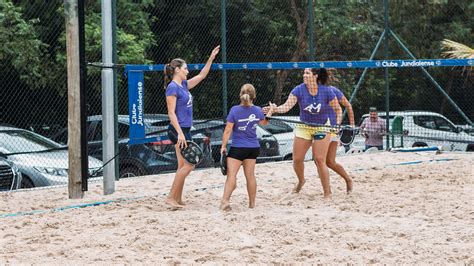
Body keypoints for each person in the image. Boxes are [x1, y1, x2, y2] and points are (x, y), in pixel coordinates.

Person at [264, 68, 341, 200]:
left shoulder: (326, 90)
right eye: (304, 73)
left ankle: (327, 193)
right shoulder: (298, 90)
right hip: (304, 126)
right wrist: (274, 108)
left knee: (319, 160)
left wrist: (337, 124)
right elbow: (286, 107)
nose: (304, 75)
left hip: (322, 126)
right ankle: (301, 180)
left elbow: (338, 109)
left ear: (315, 76)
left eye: (307, 73)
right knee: (297, 159)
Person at [164, 45, 220, 209]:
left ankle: (177, 199)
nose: (188, 71)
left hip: (184, 129)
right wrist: (180, 134)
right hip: (178, 130)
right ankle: (170, 198)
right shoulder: (173, 87)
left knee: (183, 165)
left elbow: (202, 75)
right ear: (177, 70)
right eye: (186, 68)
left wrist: (211, 57)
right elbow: (171, 113)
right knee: (189, 165)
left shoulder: (184, 85)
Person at [220, 84, 270, 211]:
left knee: (231, 175)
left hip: (238, 147)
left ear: (240, 95)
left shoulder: (235, 110)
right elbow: (264, 123)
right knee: (250, 176)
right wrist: (270, 112)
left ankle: (225, 202)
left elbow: (228, 130)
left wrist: (223, 146)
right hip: (253, 147)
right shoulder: (258, 110)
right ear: (254, 96)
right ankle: (252, 204)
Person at [326, 83, 354, 193]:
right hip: (317, 128)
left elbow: (348, 105)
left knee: (330, 162)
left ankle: (348, 180)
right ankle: (327, 190)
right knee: (321, 161)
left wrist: (352, 125)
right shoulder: (308, 91)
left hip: (332, 129)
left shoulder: (332, 90)